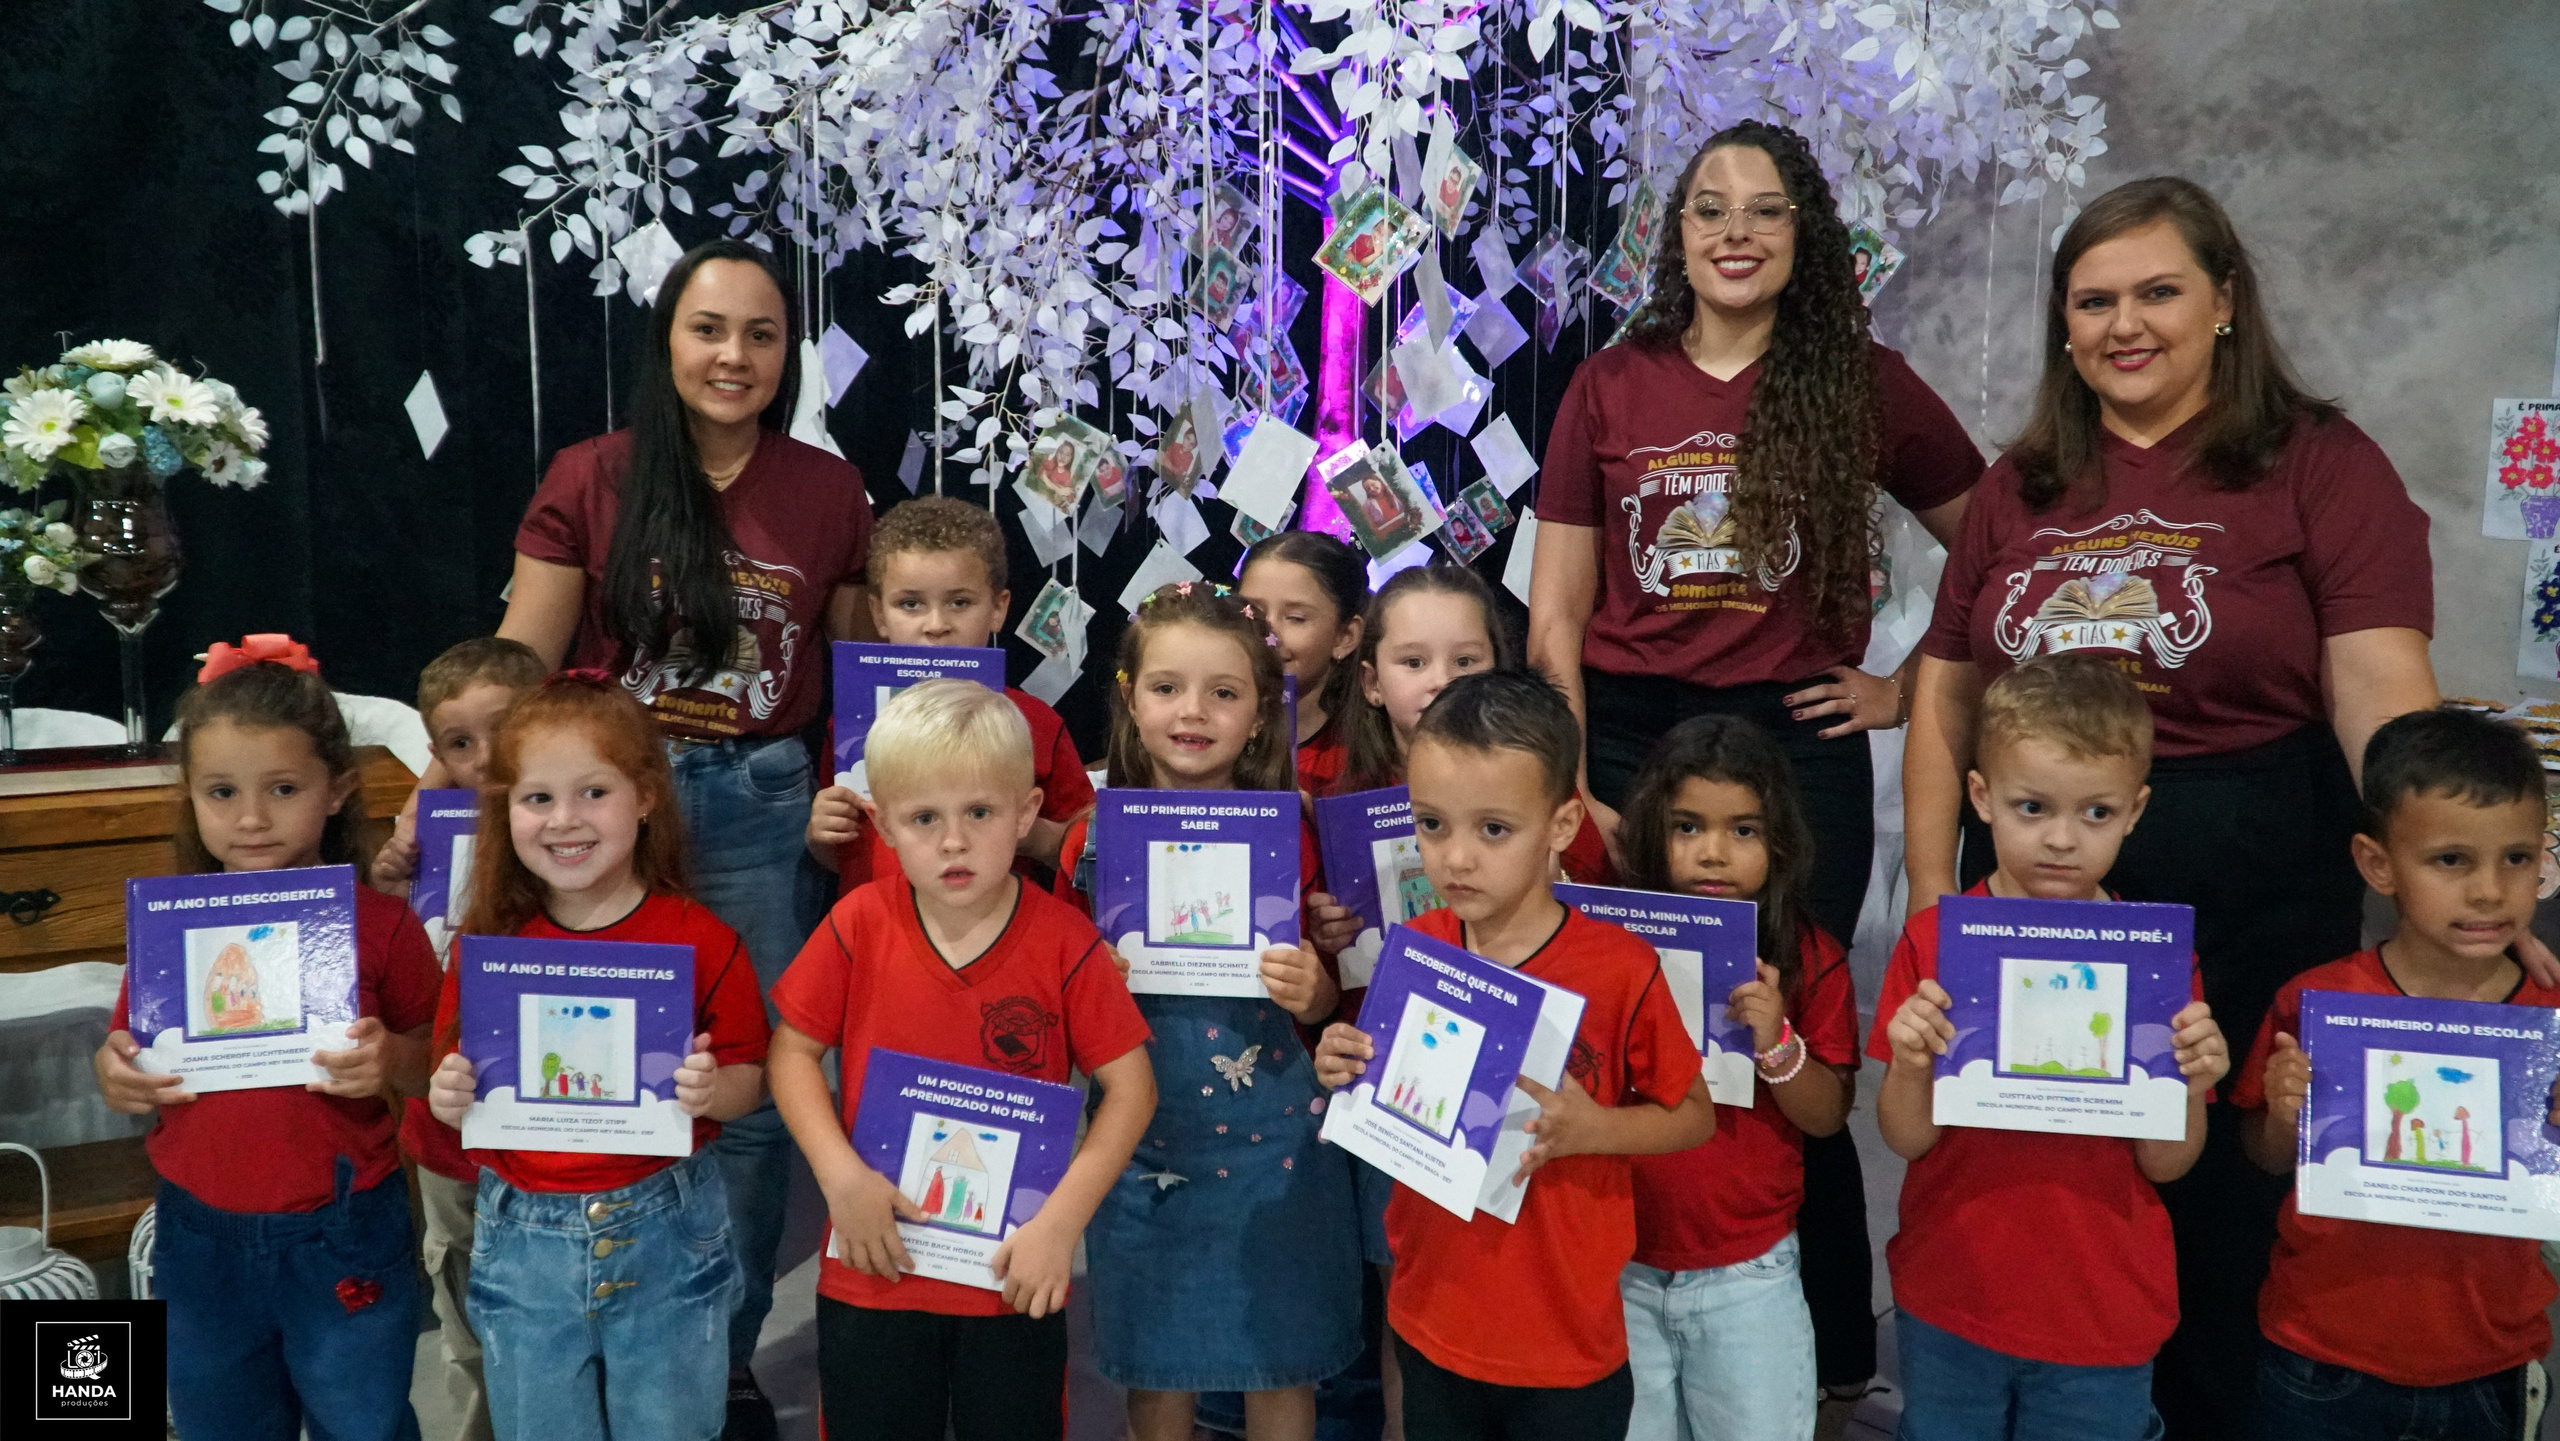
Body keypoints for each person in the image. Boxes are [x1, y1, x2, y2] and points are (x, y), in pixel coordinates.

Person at [1900, 177, 2439, 1437]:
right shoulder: (2019, 485)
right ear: (2063, 324)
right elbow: (1947, 692)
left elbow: (2381, 693)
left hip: (2249, 886)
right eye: (2093, 300)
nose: (2122, 324)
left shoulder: (2321, 463)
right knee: (2038, 1193)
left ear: (2224, 304)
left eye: (2157, 291)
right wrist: (1935, 898)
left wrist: (2447, 888)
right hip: (2037, 885)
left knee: (2218, 1202)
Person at [1527, 120, 1981, 1387]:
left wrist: (1897, 691)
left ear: (1804, 235)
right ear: (1674, 236)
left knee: (1789, 1050)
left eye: (1766, 210)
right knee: (1626, 1033)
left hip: (1794, 751)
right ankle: (1624, 1331)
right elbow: (1555, 613)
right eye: (1709, 208)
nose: (1735, 231)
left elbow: (1995, 538)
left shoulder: (1860, 381)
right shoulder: (1611, 384)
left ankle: (1819, 1357)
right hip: (1627, 742)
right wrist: (1571, 773)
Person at [494, 237, 875, 1429]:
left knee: (749, 1094)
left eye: (762, 335)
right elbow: (522, 666)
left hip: (765, 810)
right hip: (614, 812)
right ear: (667, 339)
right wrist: (460, 796)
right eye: (710, 329)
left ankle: (720, 1346)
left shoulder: (826, 490)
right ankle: (595, 1323)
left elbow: (865, 681)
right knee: (601, 1067)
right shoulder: (594, 475)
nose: (735, 355)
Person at [1314, 670, 1714, 1438]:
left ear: (1562, 825)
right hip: (1433, 1315)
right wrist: (1344, 1060)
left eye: (1493, 829)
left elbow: (1692, 1116)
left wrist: (1595, 1128)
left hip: (1565, 1342)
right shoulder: (1417, 946)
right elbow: (1389, 1089)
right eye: (1432, 824)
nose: (1456, 857)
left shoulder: (1619, 967)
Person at [766, 680, 1157, 1441]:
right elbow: (791, 1051)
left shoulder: (1067, 943)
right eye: (923, 818)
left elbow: (1132, 1090)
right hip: (875, 1267)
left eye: (979, 812)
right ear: (881, 824)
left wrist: (1061, 1225)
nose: (952, 841)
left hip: (1012, 1274)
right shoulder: (858, 923)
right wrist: (839, 1177)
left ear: (1026, 811)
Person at [1871, 655, 2228, 1440]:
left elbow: (2167, 1162)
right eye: (2032, 807)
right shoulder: (1936, 941)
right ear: (1980, 799)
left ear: (2135, 810)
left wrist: (2190, 1076)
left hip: (2103, 1307)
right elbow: (1907, 1136)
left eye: (2096, 813)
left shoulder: (2154, 959)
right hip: (1952, 1291)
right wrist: (1910, 1060)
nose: (2062, 839)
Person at [91, 644, 440, 1441]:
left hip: (342, 1225)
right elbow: (123, 1054)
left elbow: (437, 1062)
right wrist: (115, 1072)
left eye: (283, 789)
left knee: (366, 1422)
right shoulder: (170, 931)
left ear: (337, 788)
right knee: (222, 1423)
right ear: (191, 795)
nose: (251, 818)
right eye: (222, 792)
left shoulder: (384, 926)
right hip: (198, 1229)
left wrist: (390, 1058)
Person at [424, 677, 771, 1440]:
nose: (565, 820)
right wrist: (449, 1093)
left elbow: (752, 1080)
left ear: (645, 797)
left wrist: (712, 1089)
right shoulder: (489, 946)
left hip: (666, 1229)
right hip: (523, 1239)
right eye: (537, 798)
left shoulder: (701, 939)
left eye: (593, 792)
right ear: (504, 809)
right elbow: (452, 1077)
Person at [1058, 582, 1362, 1441]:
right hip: (1143, 1138)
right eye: (1167, 688)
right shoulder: (1090, 842)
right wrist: (1090, 985)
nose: (1193, 712)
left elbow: (1335, 992)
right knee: (1159, 1362)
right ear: (1128, 697)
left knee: (1281, 1353)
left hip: (1279, 1141)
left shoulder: (1300, 833)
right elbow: (1053, 1002)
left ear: (1263, 713)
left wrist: (1319, 987)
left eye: (1224, 692)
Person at [2235, 709, 2558, 1438]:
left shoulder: (2550, 1013)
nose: (2488, 890)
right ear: (2378, 864)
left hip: (2488, 1354)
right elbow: (2262, 1154)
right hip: (2321, 1349)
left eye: (2516, 858)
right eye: (2451, 860)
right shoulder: (2318, 999)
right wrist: (2284, 1115)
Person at [1614, 716, 1857, 1441]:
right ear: (1654, 828)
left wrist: (1776, 1041)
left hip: (1748, 1272)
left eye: (1743, 830)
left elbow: (1828, 1115)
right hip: (1623, 1260)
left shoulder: (1809, 956)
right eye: (1688, 826)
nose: (1713, 852)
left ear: (1778, 840)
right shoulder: (1613, 941)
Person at [380, 636, 547, 1441]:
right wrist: (389, 882)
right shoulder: (420, 847)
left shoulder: (578, 835)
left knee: (553, 1321)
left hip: (553, 1142)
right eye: (458, 744)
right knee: (468, 1316)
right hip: (448, 1143)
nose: (484, 760)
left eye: (504, 729)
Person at [803, 497, 1095, 892]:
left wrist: (1020, 829)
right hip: (882, 936)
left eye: (959, 603)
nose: (936, 625)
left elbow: (1080, 847)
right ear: (878, 614)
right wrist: (821, 834)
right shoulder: (853, 721)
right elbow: (841, 857)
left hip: (995, 934)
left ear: (997, 608)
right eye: (911, 604)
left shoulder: (1036, 723)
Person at [1326, 564, 1613, 884]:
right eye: (1414, 662)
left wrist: (1555, 885)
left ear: (1497, 670)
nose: (1443, 681)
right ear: (1373, 683)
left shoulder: (1542, 781)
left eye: (1464, 661)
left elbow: (1596, 894)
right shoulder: (1343, 793)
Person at [1238, 529, 1370, 796]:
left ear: (1345, 636)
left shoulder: (1365, 759)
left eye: (1296, 618)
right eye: (1254, 612)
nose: (1269, 635)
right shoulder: (1209, 735)